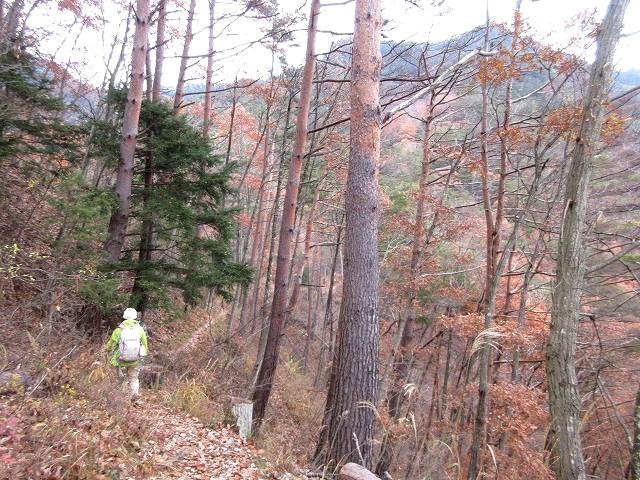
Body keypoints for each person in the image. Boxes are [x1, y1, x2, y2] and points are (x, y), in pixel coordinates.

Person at [105, 307, 148, 403]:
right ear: (135, 317)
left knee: (122, 379)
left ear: (124, 317)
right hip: (135, 360)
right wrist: (142, 356)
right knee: (134, 378)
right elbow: (145, 344)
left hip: (120, 360)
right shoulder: (140, 329)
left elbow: (111, 343)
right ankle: (134, 396)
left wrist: (107, 350)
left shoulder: (119, 330)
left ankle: (122, 401)